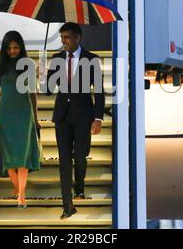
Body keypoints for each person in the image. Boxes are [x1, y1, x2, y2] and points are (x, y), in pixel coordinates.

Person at [42, 22, 105, 219]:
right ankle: (67, 205)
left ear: (77, 38)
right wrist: (43, 76)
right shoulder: (56, 58)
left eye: (67, 38)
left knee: (79, 156)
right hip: (62, 116)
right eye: (62, 38)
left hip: (84, 116)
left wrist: (98, 118)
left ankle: (79, 185)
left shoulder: (91, 59)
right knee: (64, 160)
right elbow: (49, 90)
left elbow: (99, 90)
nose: (63, 42)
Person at [0, 31, 41, 209]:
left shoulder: (28, 65)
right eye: (10, 48)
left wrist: (35, 118)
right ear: (5, 49)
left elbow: (33, 94)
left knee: (22, 157)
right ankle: (18, 188)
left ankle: (21, 195)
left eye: (16, 47)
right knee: (8, 156)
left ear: (21, 48)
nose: (13, 51)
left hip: (24, 113)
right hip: (6, 114)